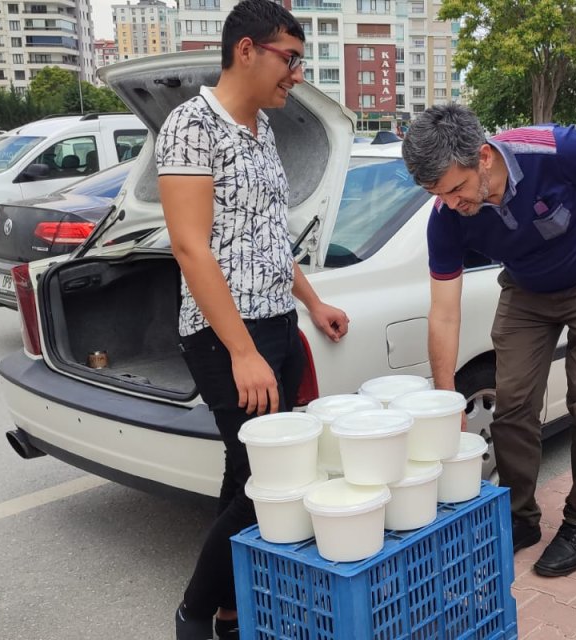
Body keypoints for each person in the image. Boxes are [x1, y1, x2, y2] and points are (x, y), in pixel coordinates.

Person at [401, 104, 576, 578]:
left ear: (483, 157)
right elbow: (444, 310)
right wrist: (446, 396)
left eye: (456, 189)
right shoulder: (446, 216)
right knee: (514, 404)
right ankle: (520, 518)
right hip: (527, 289)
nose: (453, 203)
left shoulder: (553, 148)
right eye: (440, 194)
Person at [156, 2, 350, 638]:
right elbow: (192, 246)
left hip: (276, 327)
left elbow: (270, 235)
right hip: (225, 337)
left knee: (245, 474)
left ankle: (232, 607)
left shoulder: (263, 131)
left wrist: (312, 301)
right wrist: (243, 352)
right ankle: (193, 612)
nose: (296, 74)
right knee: (267, 478)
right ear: (246, 50)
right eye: (289, 58)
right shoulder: (191, 125)